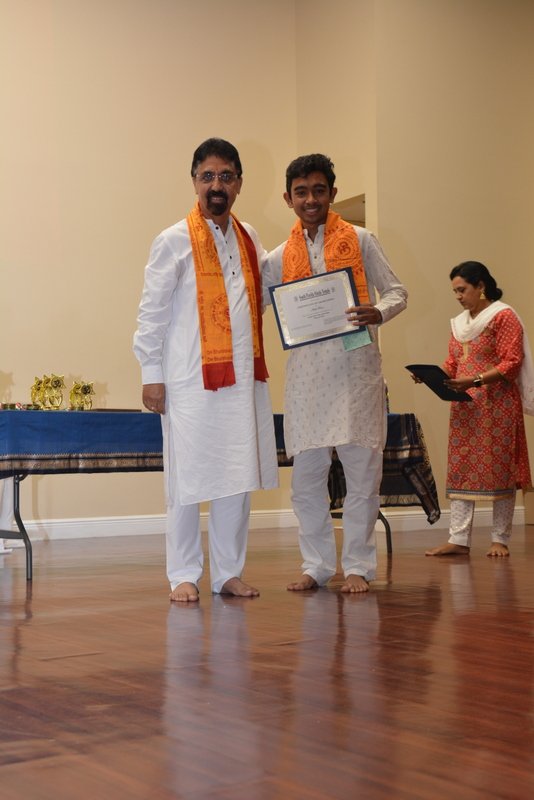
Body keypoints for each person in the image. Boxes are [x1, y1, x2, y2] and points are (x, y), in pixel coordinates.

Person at [133, 137, 278, 602]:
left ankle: (228, 573)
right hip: (188, 381)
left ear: (239, 183)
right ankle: (183, 573)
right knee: (186, 479)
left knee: (237, 475)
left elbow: (264, 296)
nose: (217, 185)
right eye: (208, 176)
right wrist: (151, 374)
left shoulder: (249, 237)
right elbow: (152, 313)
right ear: (194, 181)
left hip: (241, 379)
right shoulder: (172, 239)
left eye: (226, 176)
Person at [264, 154, 408, 593]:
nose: (310, 199)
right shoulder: (278, 256)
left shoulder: (361, 240)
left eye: (318, 190)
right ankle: (317, 565)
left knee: (362, 475)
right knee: (306, 480)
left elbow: (397, 292)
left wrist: (377, 312)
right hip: (306, 379)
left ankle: (359, 567)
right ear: (288, 198)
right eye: (301, 192)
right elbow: (254, 303)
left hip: (355, 371)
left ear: (332, 193)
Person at [423, 261, 534, 558]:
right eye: (455, 291)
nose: (458, 296)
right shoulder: (460, 323)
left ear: (481, 286)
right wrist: (431, 375)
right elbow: (453, 362)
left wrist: (474, 380)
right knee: (462, 468)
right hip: (465, 407)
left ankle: (500, 539)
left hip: (498, 405)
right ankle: (458, 539)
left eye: (462, 290)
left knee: (500, 469)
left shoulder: (503, 316)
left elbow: (512, 362)